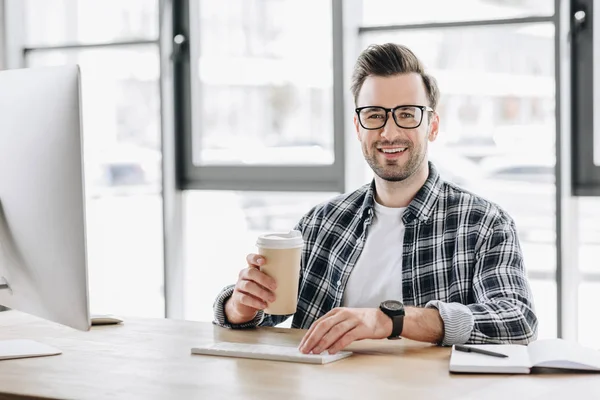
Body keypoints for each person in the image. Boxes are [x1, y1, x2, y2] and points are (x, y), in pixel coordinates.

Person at [213, 43, 538, 355]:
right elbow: (265, 315)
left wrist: (391, 320)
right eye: (374, 115)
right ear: (358, 126)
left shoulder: (483, 224)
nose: (389, 132)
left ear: (432, 125)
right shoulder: (322, 221)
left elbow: (517, 321)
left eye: (407, 114)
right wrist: (240, 306)